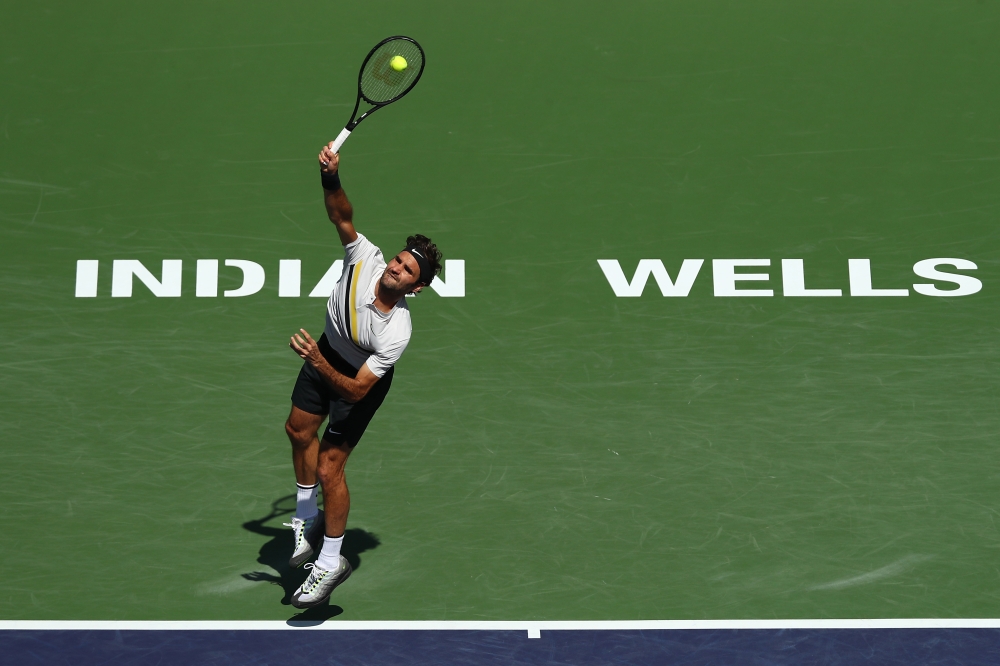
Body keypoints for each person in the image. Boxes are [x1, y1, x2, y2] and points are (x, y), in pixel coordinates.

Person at [283, 141, 442, 609]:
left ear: (418, 286)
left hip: (355, 379)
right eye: (398, 259)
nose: (394, 268)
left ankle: (331, 560)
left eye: (407, 270)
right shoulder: (364, 258)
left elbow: (354, 390)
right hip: (326, 349)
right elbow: (341, 215)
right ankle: (304, 518)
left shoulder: (398, 331)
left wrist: (316, 361)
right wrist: (330, 176)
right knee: (297, 430)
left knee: (331, 465)